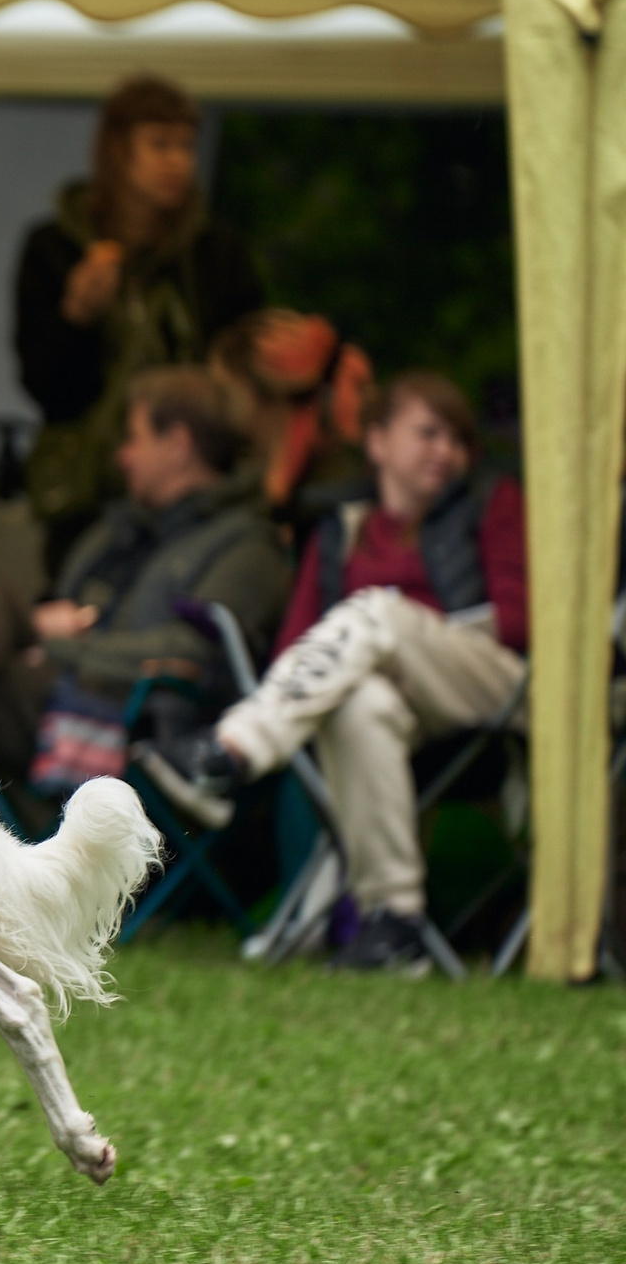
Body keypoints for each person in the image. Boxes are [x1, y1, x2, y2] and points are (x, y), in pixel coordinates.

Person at [137, 373, 526, 971]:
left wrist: (407, 635)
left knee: (373, 614)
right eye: (428, 434)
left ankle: (230, 750)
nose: (445, 452)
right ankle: (395, 924)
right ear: (377, 442)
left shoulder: (490, 505)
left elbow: (523, 622)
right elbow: (298, 645)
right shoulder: (338, 531)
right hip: (402, 715)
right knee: (362, 703)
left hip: (494, 687)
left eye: (456, 440)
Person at [0, 366, 291, 794]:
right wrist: (41, 628)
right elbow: (63, 607)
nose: (123, 456)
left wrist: (56, 647)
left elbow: (192, 655)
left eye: (134, 438)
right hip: (61, 684)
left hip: (129, 718)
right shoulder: (123, 529)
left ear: (178, 445)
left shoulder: (248, 549)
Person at [15, 74, 263, 570]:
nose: (178, 162)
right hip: (87, 488)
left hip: (194, 484)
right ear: (117, 151)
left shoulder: (214, 252)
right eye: (159, 144)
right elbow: (46, 387)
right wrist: (76, 317)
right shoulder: (56, 248)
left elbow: (243, 371)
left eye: (186, 147)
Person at [207, 308, 374, 527]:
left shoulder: (321, 503)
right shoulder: (346, 480)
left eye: (228, 396)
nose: (225, 413)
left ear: (273, 403)